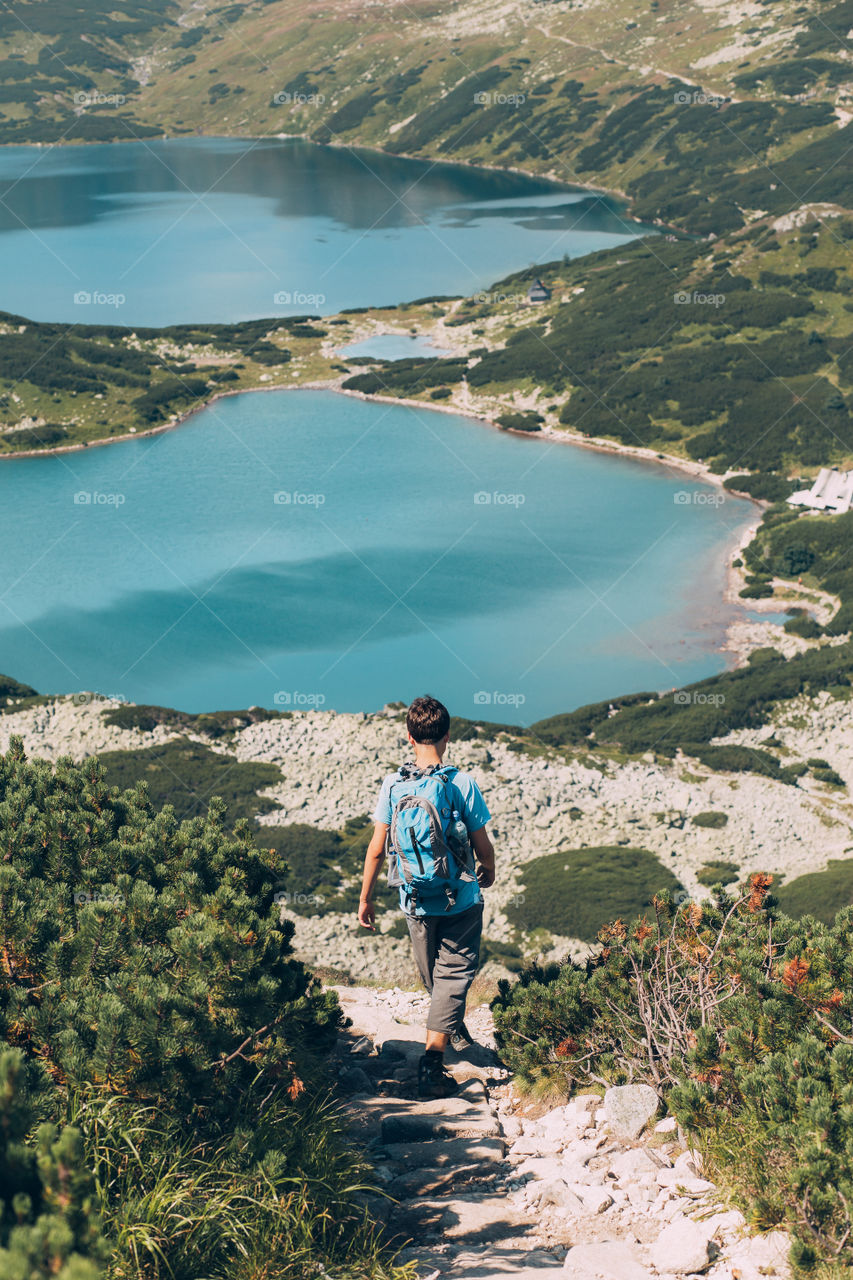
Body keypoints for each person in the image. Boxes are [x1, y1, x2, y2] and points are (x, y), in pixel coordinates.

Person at [358, 694, 496, 1098]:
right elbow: (481, 843)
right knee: (453, 972)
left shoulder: (393, 784)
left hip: (414, 900)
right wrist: (488, 870)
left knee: (434, 974)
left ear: (409, 736)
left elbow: (377, 848)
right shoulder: (461, 783)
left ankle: (446, 1024)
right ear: (448, 737)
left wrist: (365, 898)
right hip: (461, 898)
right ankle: (433, 1063)